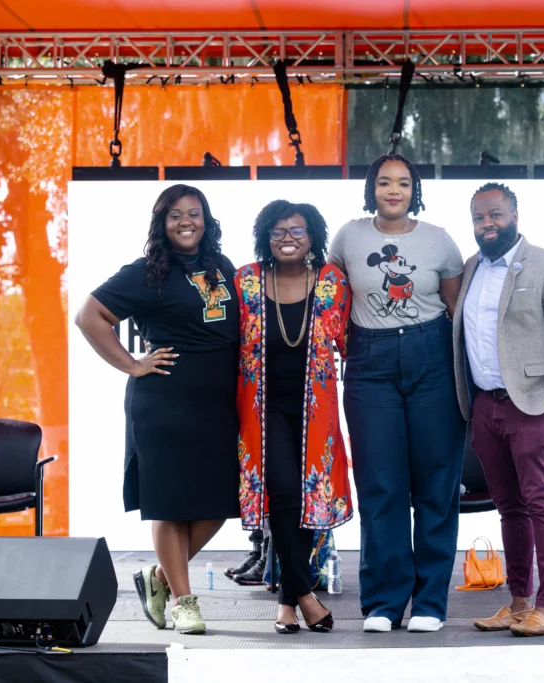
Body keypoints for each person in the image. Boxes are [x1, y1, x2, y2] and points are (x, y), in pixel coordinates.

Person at [74, 184, 240, 635]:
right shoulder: (147, 272)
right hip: (166, 402)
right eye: (175, 215)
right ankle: (185, 601)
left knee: (220, 501)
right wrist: (131, 363)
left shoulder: (221, 266)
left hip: (219, 405)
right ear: (161, 224)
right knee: (170, 504)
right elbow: (89, 316)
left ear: (206, 219)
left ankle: (160, 576)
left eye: (194, 212)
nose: (186, 221)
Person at [328, 154, 466, 633]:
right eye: (384, 182)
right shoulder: (348, 236)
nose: (393, 190)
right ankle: (384, 603)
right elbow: (333, 298)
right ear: (372, 189)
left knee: (435, 484)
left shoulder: (439, 240)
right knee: (380, 485)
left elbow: (456, 310)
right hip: (370, 362)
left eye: (403, 183)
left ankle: (429, 603)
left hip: (432, 359)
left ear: (415, 190)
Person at [454, 182, 544, 637]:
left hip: (533, 406)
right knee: (509, 508)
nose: (486, 224)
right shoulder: (470, 267)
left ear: (514, 215)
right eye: (478, 217)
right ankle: (517, 603)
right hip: (485, 407)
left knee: (541, 503)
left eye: (495, 215)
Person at [234, 199, 353, 634]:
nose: (288, 239)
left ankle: (288, 602)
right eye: (279, 232)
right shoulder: (246, 281)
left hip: (314, 411)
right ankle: (305, 594)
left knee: (305, 503)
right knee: (283, 495)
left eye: (297, 231)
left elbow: (347, 337)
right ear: (266, 236)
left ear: (313, 237)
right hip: (262, 412)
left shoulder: (331, 281)